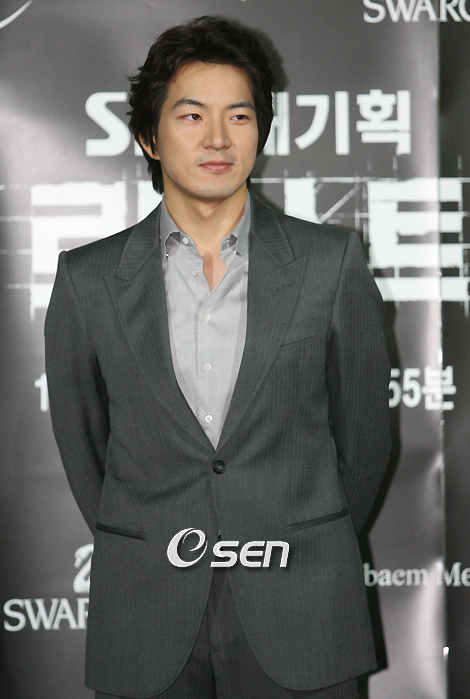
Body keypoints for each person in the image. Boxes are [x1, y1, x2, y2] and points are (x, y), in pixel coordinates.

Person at [44, 15, 391, 699]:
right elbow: (84, 448)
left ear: (261, 132)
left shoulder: (331, 263)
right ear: (149, 136)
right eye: (192, 115)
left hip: (302, 603)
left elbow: (366, 442)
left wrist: (300, 531)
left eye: (239, 116)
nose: (217, 138)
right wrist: (151, 532)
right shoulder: (88, 281)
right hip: (147, 607)